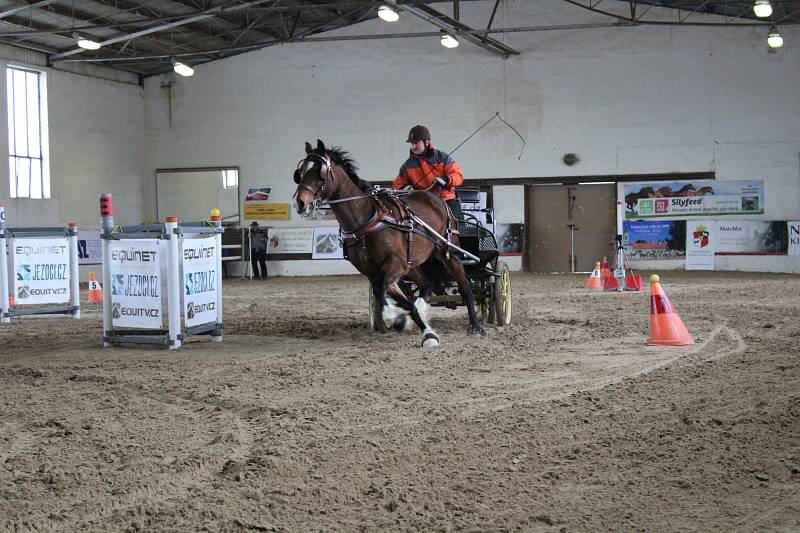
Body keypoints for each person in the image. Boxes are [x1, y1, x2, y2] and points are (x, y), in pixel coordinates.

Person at [393, 125, 464, 221]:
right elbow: (398, 183)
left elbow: (458, 176)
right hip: (422, 202)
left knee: (460, 226)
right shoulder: (407, 165)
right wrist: (405, 188)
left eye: (416, 143)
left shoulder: (442, 157)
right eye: (411, 143)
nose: (413, 146)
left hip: (446, 200)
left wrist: (446, 179)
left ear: (426, 142)